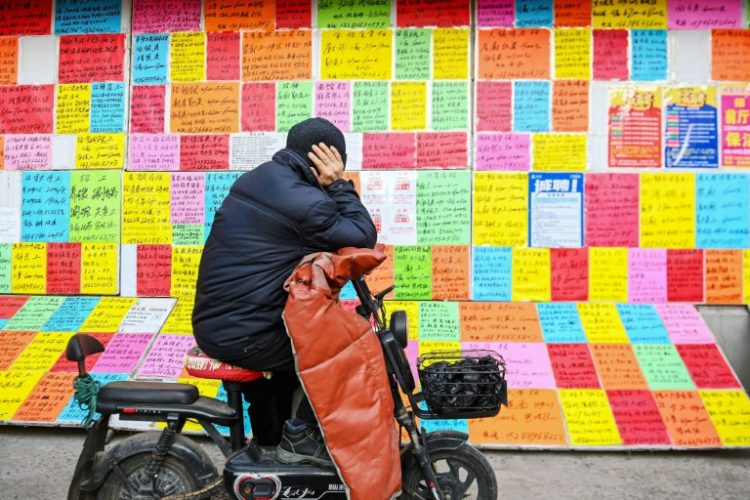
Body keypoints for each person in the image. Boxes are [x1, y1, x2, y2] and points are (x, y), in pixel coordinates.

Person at [192, 118, 377, 466]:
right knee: (346, 352)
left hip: (220, 322)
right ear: (325, 159)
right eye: (337, 163)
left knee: (291, 360)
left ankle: (269, 445)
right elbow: (361, 234)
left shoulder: (261, 178)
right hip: (243, 332)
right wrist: (338, 184)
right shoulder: (305, 201)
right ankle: (300, 437)